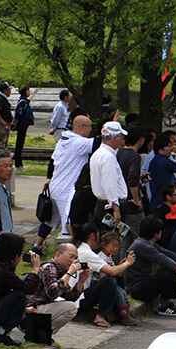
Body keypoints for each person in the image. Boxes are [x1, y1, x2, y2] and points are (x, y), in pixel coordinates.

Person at [32, 115, 96, 252]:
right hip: (66, 191)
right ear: (80, 127)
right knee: (68, 226)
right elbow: (100, 142)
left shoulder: (63, 139)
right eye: (89, 127)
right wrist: (111, 127)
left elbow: (52, 160)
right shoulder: (80, 143)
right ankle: (69, 254)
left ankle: (36, 246)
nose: (90, 130)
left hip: (55, 185)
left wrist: (49, 177)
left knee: (50, 220)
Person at [126, 214, 176, 317]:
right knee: (167, 271)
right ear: (156, 232)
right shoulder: (142, 245)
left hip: (144, 283)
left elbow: (169, 254)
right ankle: (163, 306)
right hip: (138, 289)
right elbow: (164, 260)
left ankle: (165, 302)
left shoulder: (147, 242)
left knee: (169, 269)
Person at [73, 222, 137, 327]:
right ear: (92, 236)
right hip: (79, 299)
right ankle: (101, 316)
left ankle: (116, 312)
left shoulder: (83, 250)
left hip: (79, 294)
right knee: (109, 281)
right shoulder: (88, 254)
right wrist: (128, 263)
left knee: (116, 278)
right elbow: (112, 271)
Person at [27, 243, 90, 334]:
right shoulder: (49, 267)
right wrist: (69, 273)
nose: (73, 261)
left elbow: (70, 297)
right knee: (71, 308)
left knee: (71, 307)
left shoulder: (60, 270)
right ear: (58, 255)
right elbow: (52, 292)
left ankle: (42, 334)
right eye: (71, 257)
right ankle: (40, 333)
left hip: (40, 310)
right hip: (31, 311)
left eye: (76, 258)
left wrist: (81, 281)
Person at [116, 125, 147, 257]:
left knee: (126, 239)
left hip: (120, 204)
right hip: (131, 205)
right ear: (140, 139)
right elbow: (132, 179)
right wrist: (137, 200)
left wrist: (140, 178)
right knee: (145, 237)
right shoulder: (135, 156)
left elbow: (123, 174)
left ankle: (121, 268)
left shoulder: (120, 152)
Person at [91, 121, 129, 226]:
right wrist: (116, 207)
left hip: (103, 204)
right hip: (110, 207)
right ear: (115, 139)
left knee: (106, 237)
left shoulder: (98, 153)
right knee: (111, 238)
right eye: (121, 136)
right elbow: (109, 183)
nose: (122, 140)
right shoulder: (108, 157)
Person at [147, 135, 176, 210]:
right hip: (164, 201)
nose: (171, 149)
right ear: (161, 148)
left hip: (156, 199)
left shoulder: (154, 161)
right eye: (169, 146)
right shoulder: (165, 162)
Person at [12, 86, 34, 171]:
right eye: (28, 90)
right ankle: (18, 164)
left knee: (21, 144)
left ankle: (19, 164)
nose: (29, 92)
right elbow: (18, 114)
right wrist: (15, 125)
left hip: (24, 125)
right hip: (21, 125)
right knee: (19, 145)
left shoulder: (25, 102)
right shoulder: (23, 102)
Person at [0, 82, 13, 150]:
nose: (10, 91)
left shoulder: (4, 99)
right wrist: (2, 121)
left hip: (6, 125)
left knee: (4, 144)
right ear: (4, 91)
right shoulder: (0, 99)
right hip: (1, 126)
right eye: (8, 90)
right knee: (0, 145)